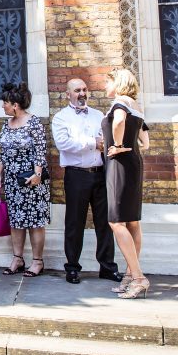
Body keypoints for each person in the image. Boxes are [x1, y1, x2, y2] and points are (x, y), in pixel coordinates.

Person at [52, 78, 120, 285]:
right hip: (76, 175)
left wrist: (102, 143)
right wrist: (93, 143)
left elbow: (106, 139)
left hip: (100, 173)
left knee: (105, 223)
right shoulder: (61, 118)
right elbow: (63, 143)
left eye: (84, 90)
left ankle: (107, 267)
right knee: (74, 223)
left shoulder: (99, 115)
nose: (82, 93)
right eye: (77, 90)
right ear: (68, 94)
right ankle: (72, 268)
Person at [103, 68, 151, 299]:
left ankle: (139, 277)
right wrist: (130, 145)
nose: (105, 87)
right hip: (134, 163)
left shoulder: (120, 102)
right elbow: (146, 141)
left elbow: (119, 121)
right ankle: (130, 275)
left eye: (107, 82)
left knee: (116, 221)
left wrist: (119, 144)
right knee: (132, 222)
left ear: (117, 83)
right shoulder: (136, 106)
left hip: (119, 164)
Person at [0, 82, 50, 279]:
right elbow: (4, 151)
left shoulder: (33, 122)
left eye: (5, 103)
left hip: (30, 179)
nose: (3, 106)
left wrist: (37, 175)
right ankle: (17, 258)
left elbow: (40, 150)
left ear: (15, 105)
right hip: (12, 180)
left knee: (35, 221)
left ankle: (37, 261)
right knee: (16, 220)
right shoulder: (6, 124)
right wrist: (0, 174)